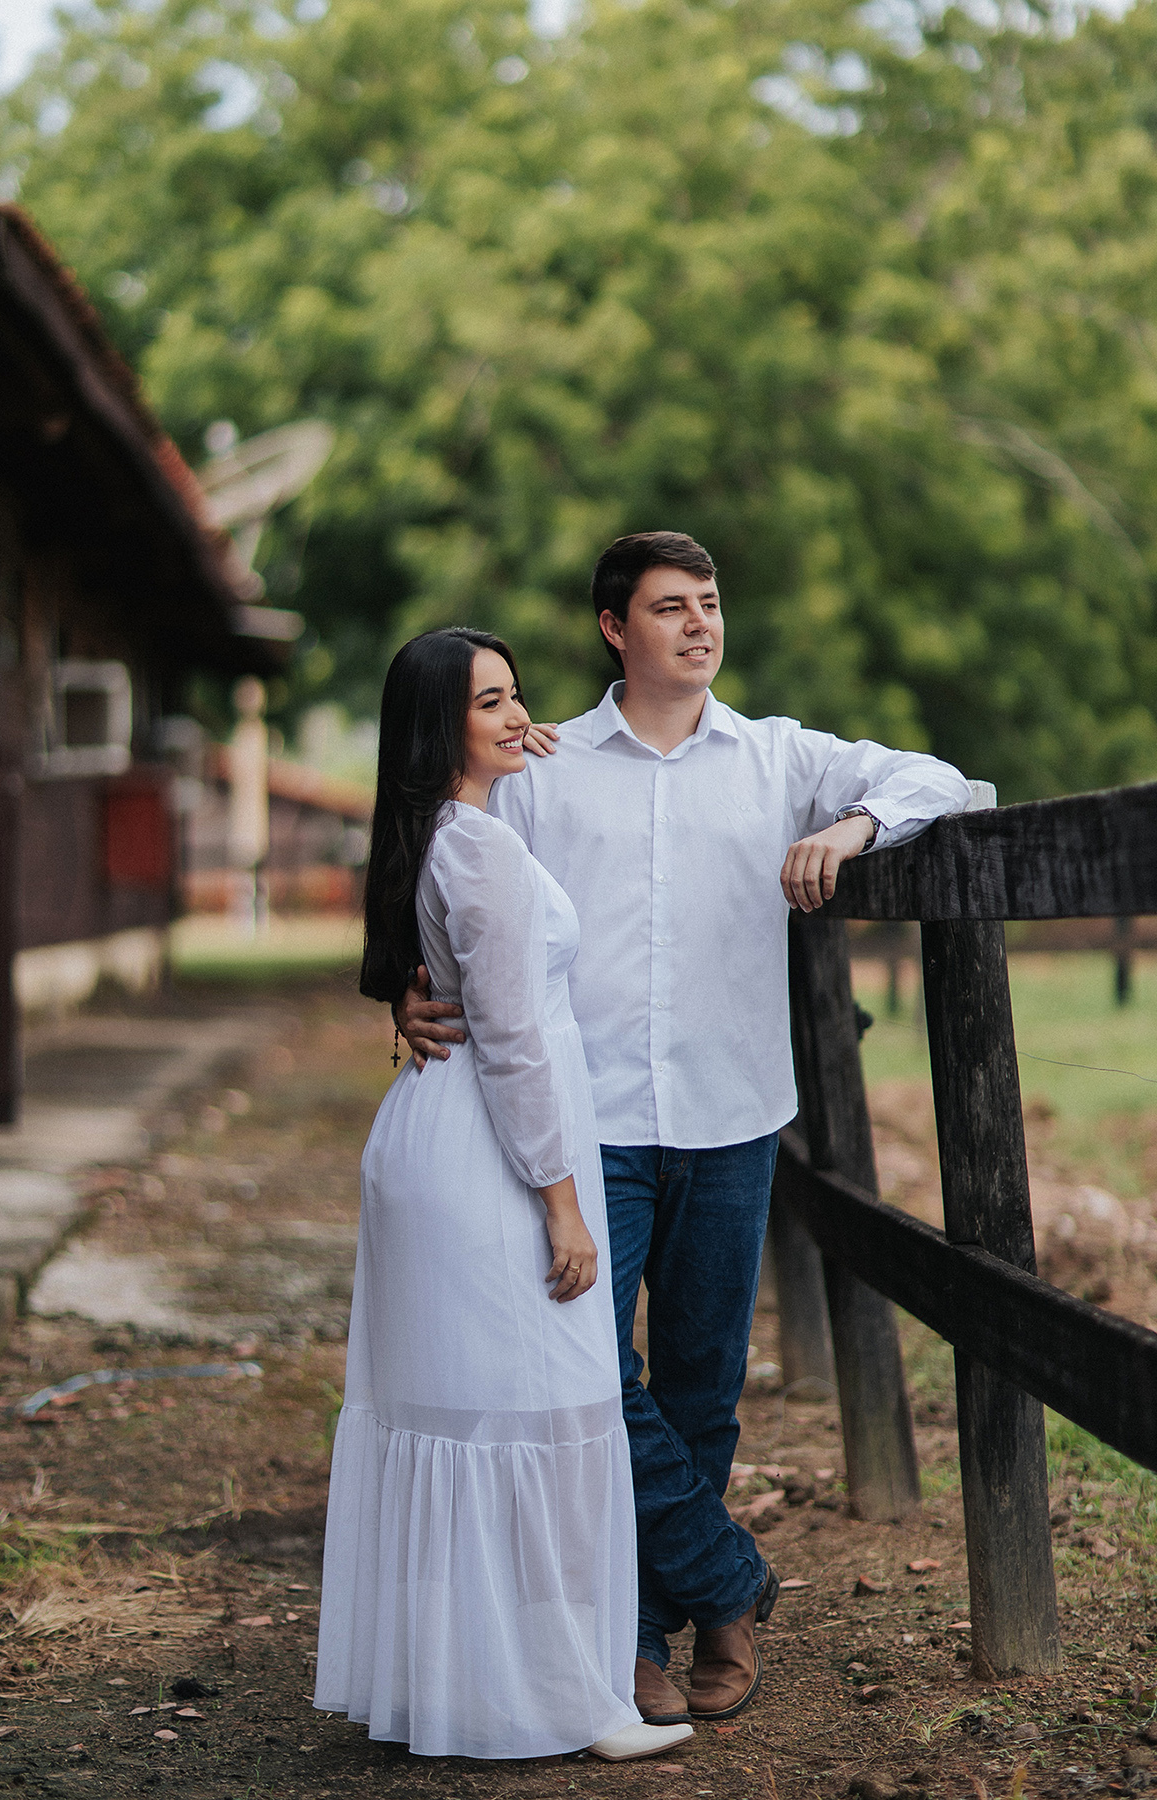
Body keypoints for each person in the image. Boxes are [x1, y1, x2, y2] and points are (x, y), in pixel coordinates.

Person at [398, 535, 973, 1727]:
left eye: (709, 603)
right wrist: (401, 988)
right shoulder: (545, 766)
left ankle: (667, 1625)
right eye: (671, 607)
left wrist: (854, 828)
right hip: (588, 1125)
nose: (700, 623)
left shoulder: (779, 759)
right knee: (591, 1381)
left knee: (704, 1386)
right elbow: (452, 883)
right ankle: (715, 1585)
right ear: (616, 628)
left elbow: (947, 781)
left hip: (730, 1114)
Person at [313, 626, 695, 1764]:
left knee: (474, 1415)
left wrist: (527, 737)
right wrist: (561, 1201)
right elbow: (517, 1039)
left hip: (448, 1138)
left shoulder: (444, 831)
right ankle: (570, 1702)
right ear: (441, 727)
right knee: (538, 1414)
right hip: (487, 1157)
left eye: (518, 695)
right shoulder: (475, 849)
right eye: (491, 702)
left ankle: (470, 1689)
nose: (521, 716)